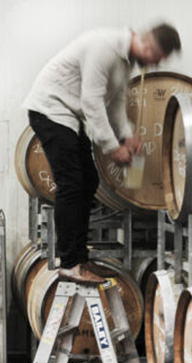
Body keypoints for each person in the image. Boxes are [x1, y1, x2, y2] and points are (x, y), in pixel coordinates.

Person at [25, 23, 181, 284]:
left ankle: (80, 258)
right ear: (149, 46)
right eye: (158, 58)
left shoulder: (125, 62)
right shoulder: (105, 47)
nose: (154, 65)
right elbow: (92, 101)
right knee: (72, 184)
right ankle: (70, 263)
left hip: (68, 116)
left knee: (89, 181)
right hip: (50, 110)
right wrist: (112, 148)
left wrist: (127, 136)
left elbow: (116, 103)